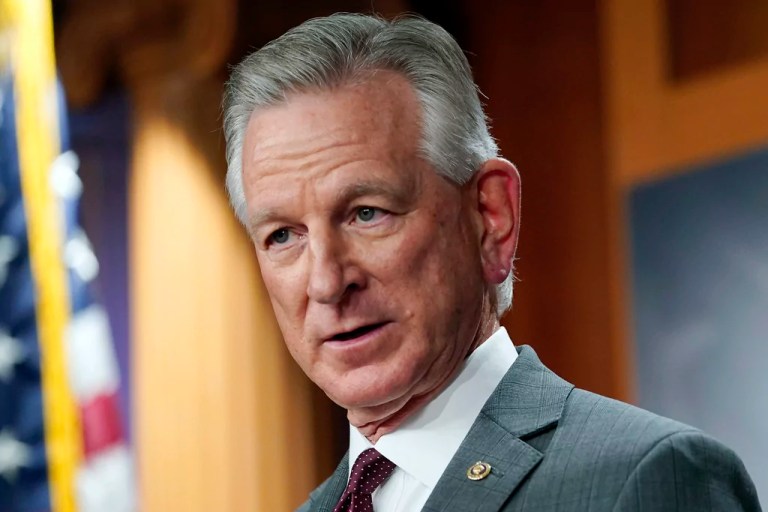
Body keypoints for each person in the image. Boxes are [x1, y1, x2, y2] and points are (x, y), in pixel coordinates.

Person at [222, 13, 761, 512]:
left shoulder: (645, 480)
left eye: (367, 213)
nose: (326, 282)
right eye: (283, 235)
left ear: (490, 216)